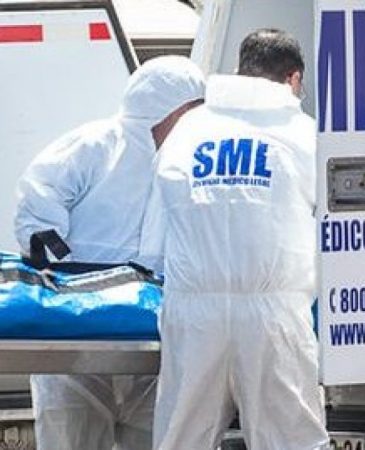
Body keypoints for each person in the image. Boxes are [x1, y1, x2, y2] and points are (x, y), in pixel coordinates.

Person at [141, 29, 327, 449]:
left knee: (181, 439)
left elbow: (154, 241)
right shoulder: (304, 134)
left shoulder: (187, 130)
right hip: (272, 315)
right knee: (292, 441)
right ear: (294, 79)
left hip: (193, 312)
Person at [14, 55, 205, 450]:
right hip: (79, 346)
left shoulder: (195, 162)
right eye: (193, 109)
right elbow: (38, 201)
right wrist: (65, 274)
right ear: (166, 108)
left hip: (154, 349)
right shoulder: (95, 145)